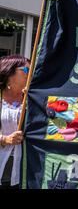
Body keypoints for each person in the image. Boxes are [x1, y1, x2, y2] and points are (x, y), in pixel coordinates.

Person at [0, 55, 29, 189]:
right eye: (26, 71)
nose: (30, 75)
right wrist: (5, 139)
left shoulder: (31, 98)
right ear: (10, 72)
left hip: (26, 166)